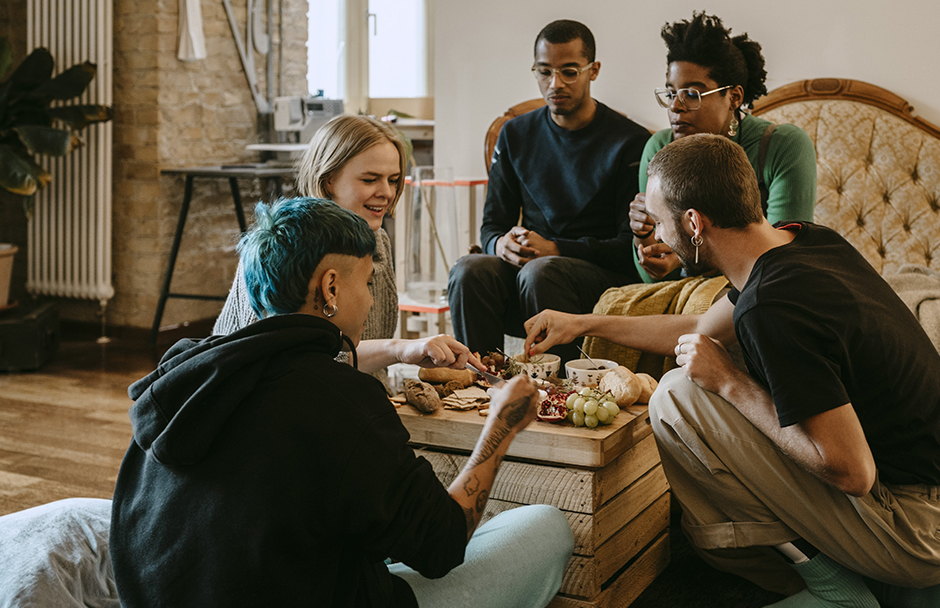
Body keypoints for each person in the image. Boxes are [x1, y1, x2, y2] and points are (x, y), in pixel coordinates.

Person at [523, 135, 940, 608]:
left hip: (925, 530)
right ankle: (936, 590)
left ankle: (842, 595)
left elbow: (853, 472)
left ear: (694, 223)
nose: (655, 235)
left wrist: (731, 383)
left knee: (676, 400)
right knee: (707, 374)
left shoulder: (773, 307)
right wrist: (582, 323)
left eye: (658, 221)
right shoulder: (802, 239)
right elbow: (700, 325)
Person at [111, 197, 574, 608]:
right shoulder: (341, 400)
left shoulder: (187, 372)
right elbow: (442, 545)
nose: (371, 297)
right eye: (369, 282)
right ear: (330, 288)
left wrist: (398, 349)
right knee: (544, 528)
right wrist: (500, 427)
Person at [214, 114, 477, 386]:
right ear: (328, 180)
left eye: (394, 180)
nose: (386, 192)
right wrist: (400, 349)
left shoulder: (378, 241)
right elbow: (300, 361)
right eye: (370, 179)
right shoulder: (289, 248)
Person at [446, 19, 651, 362]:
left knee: (542, 271)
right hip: (531, 275)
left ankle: (560, 394)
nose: (554, 83)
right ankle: (483, 382)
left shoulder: (629, 142)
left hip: (596, 280)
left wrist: (555, 248)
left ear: (593, 70)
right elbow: (491, 226)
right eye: (544, 71)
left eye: (569, 72)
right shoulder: (514, 135)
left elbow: (626, 248)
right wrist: (502, 245)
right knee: (470, 270)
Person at [630, 11, 816, 282]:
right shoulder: (659, 149)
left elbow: (782, 261)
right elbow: (651, 282)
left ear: (734, 97)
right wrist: (643, 236)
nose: (675, 107)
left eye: (692, 94)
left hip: (761, 289)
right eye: (670, 93)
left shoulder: (782, 146)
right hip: (683, 294)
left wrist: (689, 259)